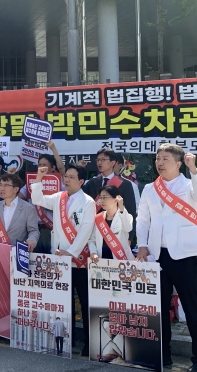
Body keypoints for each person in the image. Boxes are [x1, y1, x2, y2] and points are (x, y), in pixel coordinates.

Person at [136, 144, 197, 370]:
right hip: (156, 256)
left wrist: (195, 170)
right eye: (158, 158)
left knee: (193, 309)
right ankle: (162, 358)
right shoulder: (150, 188)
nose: (160, 163)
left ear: (179, 163)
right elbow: (142, 220)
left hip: (186, 255)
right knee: (158, 310)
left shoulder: (189, 184)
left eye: (166, 159)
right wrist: (142, 244)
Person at [31, 164, 95, 356]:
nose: (66, 180)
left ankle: (88, 343)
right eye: (65, 176)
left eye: (71, 177)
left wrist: (72, 252)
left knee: (84, 301)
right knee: (63, 301)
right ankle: (67, 341)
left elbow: (86, 230)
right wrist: (39, 179)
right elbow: (38, 199)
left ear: (81, 181)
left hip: (79, 259)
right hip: (59, 260)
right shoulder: (59, 197)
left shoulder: (88, 202)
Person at [82, 148, 137, 243]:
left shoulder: (125, 184)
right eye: (98, 160)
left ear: (113, 163)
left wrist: (130, 237)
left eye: (103, 160)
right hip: (95, 231)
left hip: (117, 232)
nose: (99, 162)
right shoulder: (92, 183)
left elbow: (131, 210)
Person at [0, 174, 39, 248]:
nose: (2, 188)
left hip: (17, 253)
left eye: (6, 185)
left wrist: (32, 240)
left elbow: (33, 230)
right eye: (0, 185)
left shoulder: (28, 208)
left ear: (16, 189)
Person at [89, 185, 134, 262]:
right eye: (101, 197)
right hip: (101, 262)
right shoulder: (98, 218)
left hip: (120, 261)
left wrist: (121, 207)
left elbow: (127, 228)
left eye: (105, 197)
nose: (102, 200)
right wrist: (93, 252)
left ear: (115, 199)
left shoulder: (126, 216)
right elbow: (92, 240)